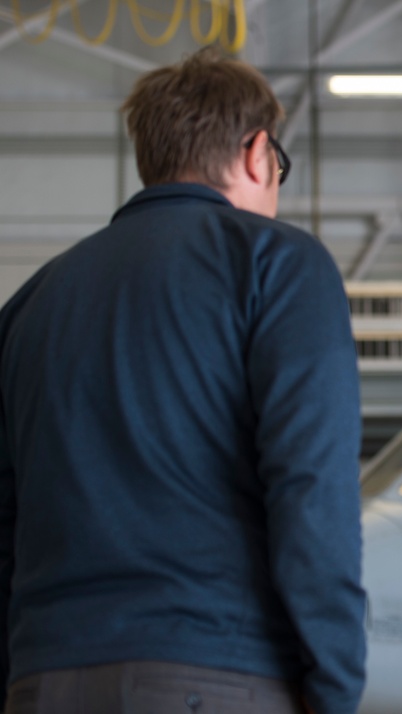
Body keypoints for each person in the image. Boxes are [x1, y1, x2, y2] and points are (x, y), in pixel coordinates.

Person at [0, 48, 365, 714]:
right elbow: (312, 487)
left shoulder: (32, 301)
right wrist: (335, 687)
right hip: (216, 672)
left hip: (43, 678)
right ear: (257, 153)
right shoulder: (278, 263)